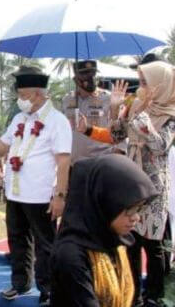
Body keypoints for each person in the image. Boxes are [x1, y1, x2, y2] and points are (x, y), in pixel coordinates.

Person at [77, 60, 175, 306]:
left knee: (153, 244)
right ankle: (131, 295)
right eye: (140, 83)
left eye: (146, 83)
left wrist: (142, 113)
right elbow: (117, 135)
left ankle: (154, 295)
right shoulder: (134, 106)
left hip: (153, 185)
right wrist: (114, 109)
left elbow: (159, 145)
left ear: (160, 85)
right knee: (130, 240)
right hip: (131, 180)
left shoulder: (170, 114)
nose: (142, 88)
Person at [0, 66, 71, 306]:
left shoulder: (57, 121)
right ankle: (20, 283)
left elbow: (64, 160)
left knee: (46, 245)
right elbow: (3, 148)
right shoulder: (19, 119)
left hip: (40, 195)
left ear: (38, 95)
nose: (20, 100)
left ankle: (49, 290)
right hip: (15, 193)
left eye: (23, 95)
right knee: (17, 240)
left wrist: (59, 195)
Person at [51, 154, 157, 307]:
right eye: (130, 209)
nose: (136, 218)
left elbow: (136, 301)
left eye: (139, 209)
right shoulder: (70, 255)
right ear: (104, 202)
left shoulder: (122, 242)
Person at [62, 60, 126, 164]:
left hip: (101, 163)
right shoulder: (67, 99)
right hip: (74, 165)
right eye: (85, 74)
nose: (91, 78)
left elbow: (122, 130)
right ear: (76, 78)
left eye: (93, 74)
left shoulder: (109, 98)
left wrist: (117, 155)